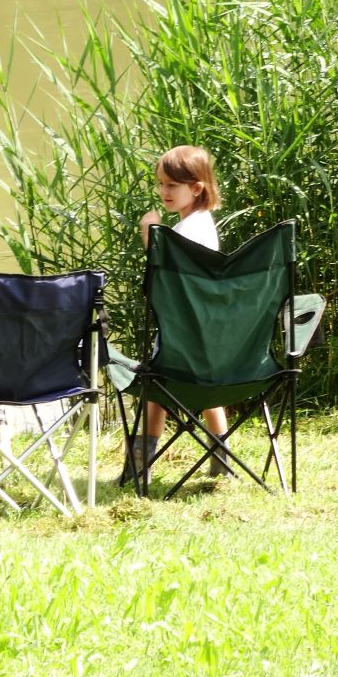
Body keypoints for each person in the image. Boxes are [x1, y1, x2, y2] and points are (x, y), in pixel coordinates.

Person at [135, 144, 230, 476]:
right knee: (206, 392)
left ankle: (141, 460)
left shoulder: (186, 232)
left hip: (181, 334)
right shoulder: (202, 223)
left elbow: (163, 278)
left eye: (172, 185)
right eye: (161, 184)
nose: (164, 191)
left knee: (155, 386)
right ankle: (221, 456)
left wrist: (150, 234)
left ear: (197, 188)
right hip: (203, 334)